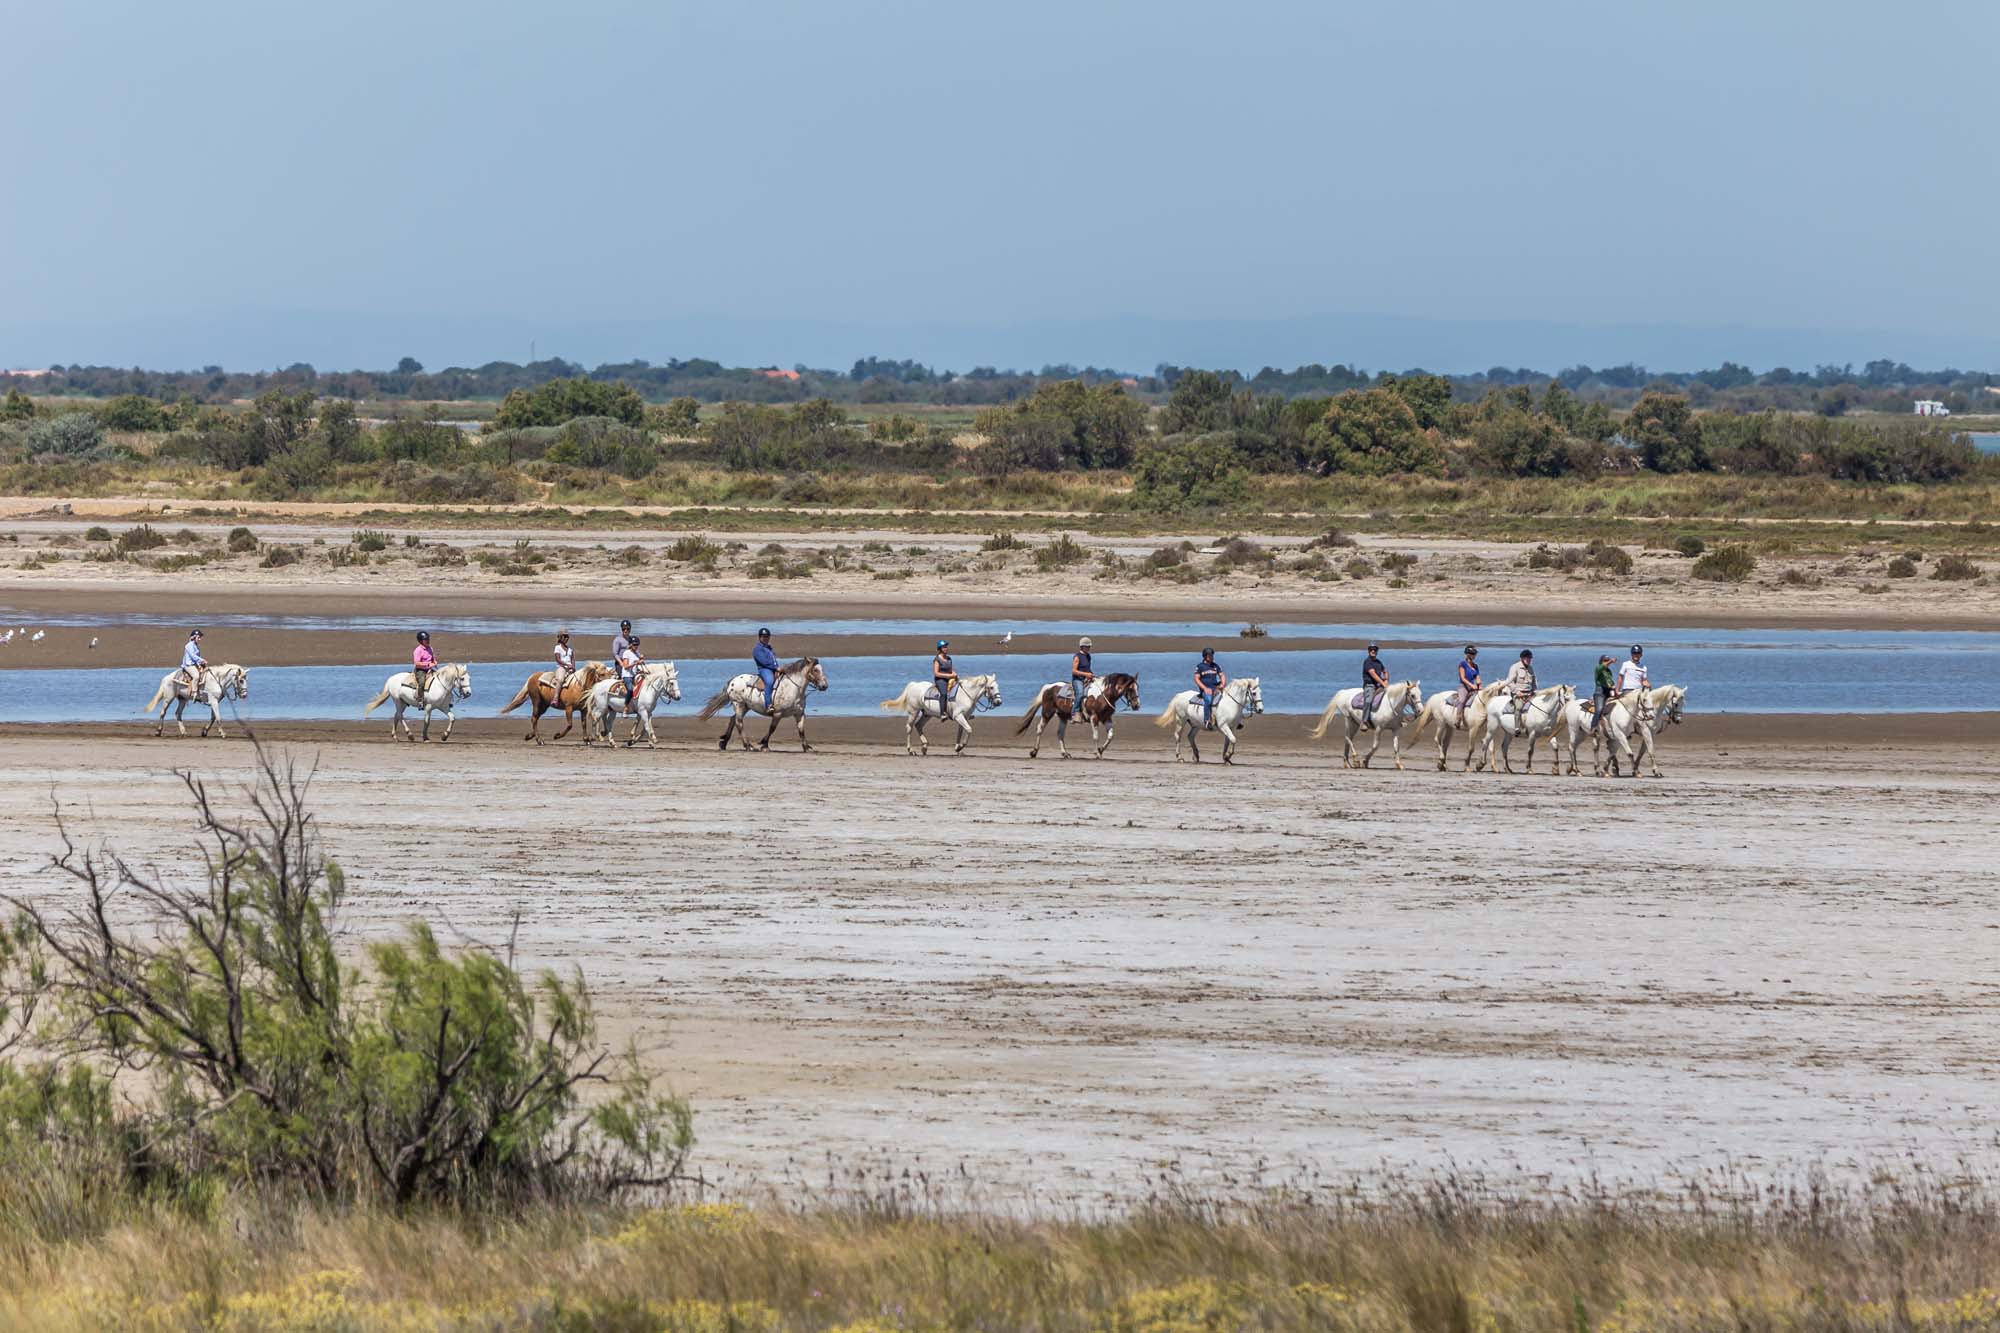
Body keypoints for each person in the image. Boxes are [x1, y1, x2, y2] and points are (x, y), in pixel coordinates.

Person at [1505, 649, 1537, 738]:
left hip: (1529, 693)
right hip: (1518, 693)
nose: (1529, 660)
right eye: (1527, 658)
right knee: (1519, 707)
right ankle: (1517, 728)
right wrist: (1517, 692)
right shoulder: (1514, 667)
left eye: (1530, 658)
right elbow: (1509, 682)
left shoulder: (1531, 668)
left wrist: (1535, 691)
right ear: (1522, 658)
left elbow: (1534, 682)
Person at [1617, 644, 1652, 724]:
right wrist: (1617, 690)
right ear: (1631, 654)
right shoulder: (1626, 664)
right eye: (1634, 653)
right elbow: (1620, 678)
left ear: (1641, 655)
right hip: (1628, 690)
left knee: (1648, 705)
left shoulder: (1643, 667)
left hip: (1639, 691)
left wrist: (1648, 685)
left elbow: (1644, 680)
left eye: (1638, 653)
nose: (1636, 655)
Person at [1193, 647, 1226, 729]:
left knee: (1229, 698)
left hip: (1216, 688)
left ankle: (1235, 720)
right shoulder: (1200, 666)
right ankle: (1207, 720)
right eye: (1209, 656)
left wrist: (1222, 684)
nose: (1211, 657)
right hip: (1206, 689)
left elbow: (1222, 675)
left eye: (1212, 655)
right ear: (1204, 656)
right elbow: (1196, 679)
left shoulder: (1215, 666)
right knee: (1208, 700)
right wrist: (1204, 688)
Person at [1358, 641, 1387, 729]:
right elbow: (1373, 674)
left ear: (1377, 651)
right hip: (1369, 686)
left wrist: (1386, 680)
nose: (1373, 651)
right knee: (1368, 700)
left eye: (1375, 649)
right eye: (1371, 649)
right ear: (1369, 651)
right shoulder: (1367, 662)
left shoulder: (1378, 662)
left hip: (1379, 686)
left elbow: (1385, 671)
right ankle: (1364, 721)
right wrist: (1383, 683)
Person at [1453, 644, 1481, 729]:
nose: (1474, 656)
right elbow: (1463, 678)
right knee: (1461, 700)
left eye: (1474, 654)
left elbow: (1478, 677)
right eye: (1472, 654)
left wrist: (1479, 685)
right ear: (1468, 654)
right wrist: (1472, 685)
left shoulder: (1475, 666)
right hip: (1463, 686)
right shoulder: (1463, 664)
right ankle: (1458, 719)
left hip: (1473, 687)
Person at [616, 634, 645, 713]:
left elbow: (637, 663)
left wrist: (641, 662)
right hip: (627, 676)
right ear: (631, 645)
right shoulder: (626, 653)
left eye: (637, 645)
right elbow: (625, 666)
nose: (636, 646)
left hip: (634, 675)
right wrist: (636, 663)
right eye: (634, 645)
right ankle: (626, 705)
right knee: (630, 690)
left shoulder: (636, 653)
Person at [753, 627, 780, 712]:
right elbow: (764, 662)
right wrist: (776, 668)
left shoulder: (769, 648)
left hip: (772, 668)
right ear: (760, 637)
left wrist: (778, 668)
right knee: (769, 681)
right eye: (764, 636)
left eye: (767, 636)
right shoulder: (757, 649)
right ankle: (768, 705)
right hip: (764, 669)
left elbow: (774, 660)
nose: (766, 638)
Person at [1588, 654, 1616, 733]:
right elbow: (1602, 667)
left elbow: (1610, 681)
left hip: (1609, 691)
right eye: (1605, 661)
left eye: (1608, 660)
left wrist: (1614, 687)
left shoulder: (1608, 671)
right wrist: (1611, 661)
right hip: (1600, 692)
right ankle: (1593, 727)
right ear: (1601, 662)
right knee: (1599, 709)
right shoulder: (1598, 668)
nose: (1607, 662)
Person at [1070, 637, 1097, 718]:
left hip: (1086, 679)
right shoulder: (1077, 657)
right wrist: (1086, 674)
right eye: (1087, 646)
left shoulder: (1088, 656)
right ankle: (1074, 712)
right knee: (1080, 693)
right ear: (1082, 647)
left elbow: (1087, 669)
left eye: (1089, 646)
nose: (1089, 648)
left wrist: (1091, 674)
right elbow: (1074, 671)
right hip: (1077, 679)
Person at [176, 629, 208, 694]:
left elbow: (197, 657)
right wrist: (202, 660)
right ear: (194, 637)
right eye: (198, 637)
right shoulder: (189, 645)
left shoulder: (196, 646)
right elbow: (193, 656)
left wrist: (200, 663)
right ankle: (194, 692)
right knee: (196, 676)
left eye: (200, 638)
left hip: (194, 664)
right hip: (188, 665)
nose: (200, 639)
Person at [931, 640, 957, 716]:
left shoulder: (949, 658)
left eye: (946, 647)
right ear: (940, 649)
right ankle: (943, 713)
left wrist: (954, 674)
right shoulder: (937, 660)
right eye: (944, 647)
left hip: (949, 678)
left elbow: (951, 669)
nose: (946, 648)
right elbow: (936, 673)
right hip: (940, 680)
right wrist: (948, 676)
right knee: (944, 694)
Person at [550, 629, 575, 700]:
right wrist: (566, 665)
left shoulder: (570, 649)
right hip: (562, 668)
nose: (566, 638)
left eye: (567, 637)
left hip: (570, 668)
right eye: (565, 636)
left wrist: (573, 667)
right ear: (560, 638)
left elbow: (572, 659)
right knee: (560, 680)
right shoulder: (557, 648)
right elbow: (558, 659)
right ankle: (555, 698)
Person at [412, 630, 436, 700]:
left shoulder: (430, 648)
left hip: (430, 669)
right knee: (422, 683)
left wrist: (435, 662)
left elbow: (433, 659)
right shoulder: (418, 650)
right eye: (426, 639)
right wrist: (428, 664)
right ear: (421, 641)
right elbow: (417, 663)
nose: (428, 641)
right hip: (420, 670)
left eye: (428, 639)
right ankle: (420, 699)